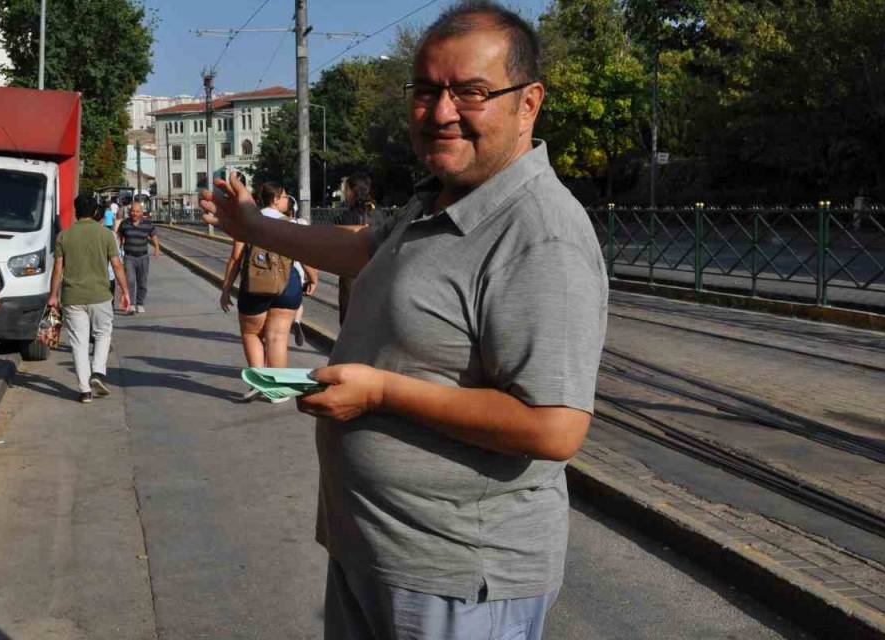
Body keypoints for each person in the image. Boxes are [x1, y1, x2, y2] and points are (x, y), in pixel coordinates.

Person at [199, 2, 608, 637]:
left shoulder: (539, 233)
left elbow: (554, 428)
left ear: (528, 103)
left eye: (471, 92)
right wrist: (255, 227)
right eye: (426, 90)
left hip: (456, 580)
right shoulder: (437, 199)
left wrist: (382, 392)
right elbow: (363, 245)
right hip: (378, 552)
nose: (441, 112)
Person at [218, 182, 317, 403]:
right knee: (278, 336)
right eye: (284, 197)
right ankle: (278, 391)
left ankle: (258, 381)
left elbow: (236, 258)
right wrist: (313, 277)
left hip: (255, 286)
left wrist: (226, 289)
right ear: (276, 198)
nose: (286, 201)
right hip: (287, 285)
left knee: (251, 333)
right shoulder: (291, 223)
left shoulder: (249, 223)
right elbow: (302, 254)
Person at [48, 195, 131, 404]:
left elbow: (58, 268)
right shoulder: (106, 235)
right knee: (103, 333)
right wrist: (125, 291)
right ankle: (98, 372)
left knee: (79, 343)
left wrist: (53, 296)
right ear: (96, 212)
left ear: (76, 211)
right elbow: (117, 265)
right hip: (100, 295)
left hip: (72, 296)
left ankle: (85, 391)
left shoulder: (64, 236)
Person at [335, 173, 376, 325]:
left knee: (349, 319)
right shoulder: (378, 214)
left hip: (352, 273)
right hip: (377, 270)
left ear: (352, 191)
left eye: (346, 190)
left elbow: (340, 246)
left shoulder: (347, 216)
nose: (345, 194)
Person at [116, 201, 161, 315]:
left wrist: (156, 248)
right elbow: (120, 237)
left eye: (137, 211)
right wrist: (118, 250)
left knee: (142, 281)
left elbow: (153, 235)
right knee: (130, 280)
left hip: (143, 257)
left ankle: (140, 303)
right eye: (133, 211)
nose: (134, 213)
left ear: (141, 212)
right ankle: (131, 304)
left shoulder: (147, 224)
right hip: (129, 257)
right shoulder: (125, 224)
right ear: (130, 212)